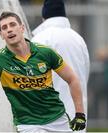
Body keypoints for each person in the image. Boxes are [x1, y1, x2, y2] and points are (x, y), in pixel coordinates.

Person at [0, 11, 86, 132]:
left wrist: (80, 113)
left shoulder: (45, 53)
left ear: (22, 28)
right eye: (4, 27)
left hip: (57, 119)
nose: (9, 29)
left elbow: (72, 79)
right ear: (1, 35)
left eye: (13, 24)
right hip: (28, 124)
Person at [31, 0, 90, 130]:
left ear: (44, 16)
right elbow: (85, 76)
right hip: (77, 117)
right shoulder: (78, 39)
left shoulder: (38, 40)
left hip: (47, 121)